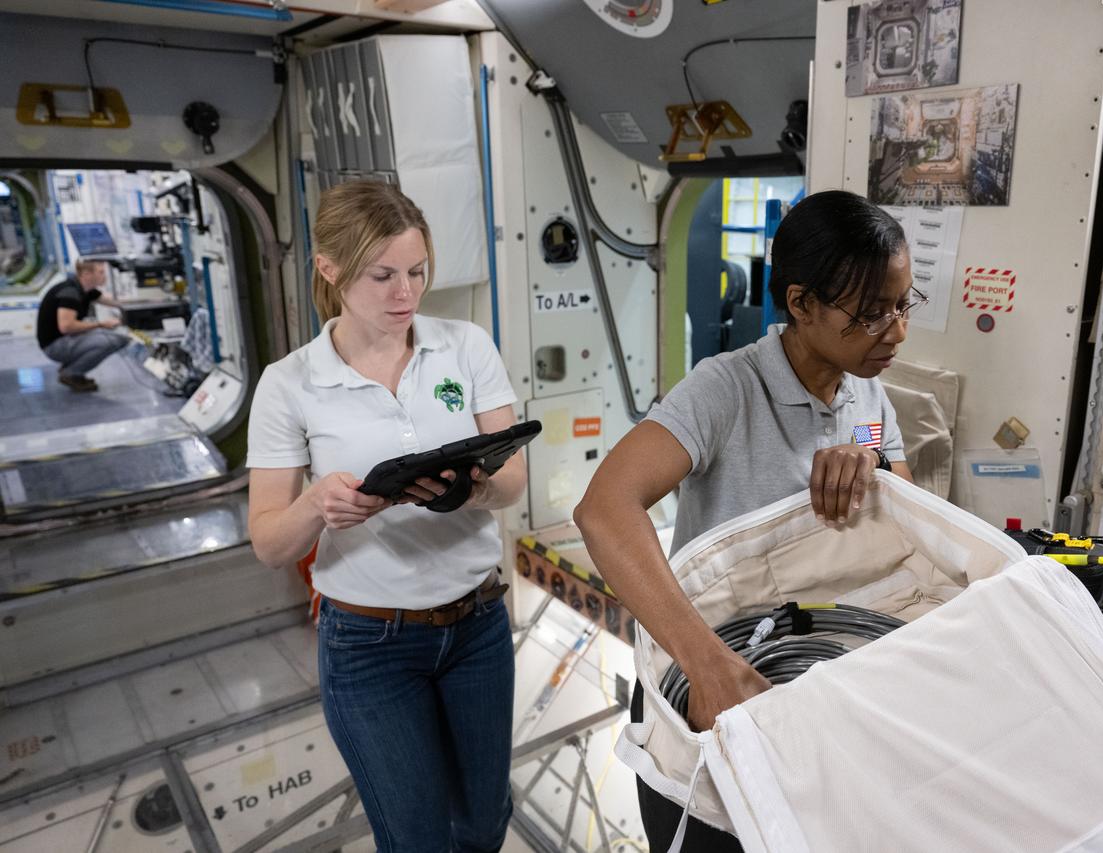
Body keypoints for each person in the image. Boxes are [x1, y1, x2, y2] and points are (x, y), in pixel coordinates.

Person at [574, 190, 919, 852]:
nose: (897, 331)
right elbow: (603, 508)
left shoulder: (869, 392)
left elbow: (906, 509)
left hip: (812, 692)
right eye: (873, 313)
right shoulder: (725, 389)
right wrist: (709, 667)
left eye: (904, 305)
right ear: (801, 304)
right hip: (714, 692)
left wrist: (870, 458)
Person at [246, 181, 526, 853]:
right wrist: (318, 503)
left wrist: (468, 492)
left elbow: (513, 479)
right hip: (369, 647)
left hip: (478, 626)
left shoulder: (465, 348)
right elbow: (268, 542)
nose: (407, 292)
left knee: (484, 823)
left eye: (418, 271)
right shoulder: (290, 383)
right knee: (417, 838)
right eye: (384, 275)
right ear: (329, 268)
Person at [36, 258, 129, 391]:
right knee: (115, 339)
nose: (105, 276)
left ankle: (71, 368)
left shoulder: (86, 290)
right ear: (86, 274)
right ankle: (71, 373)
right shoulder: (70, 293)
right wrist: (101, 324)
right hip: (54, 346)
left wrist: (148, 302)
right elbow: (66, 327)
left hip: (64, 340)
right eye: (101, 272)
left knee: (113, 335)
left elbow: (114, 302)